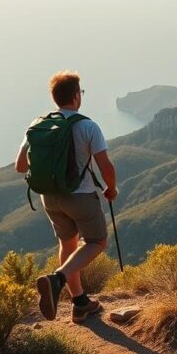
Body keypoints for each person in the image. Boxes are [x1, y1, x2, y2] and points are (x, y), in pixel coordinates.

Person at [15, 71, 118, 323]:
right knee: (97, 242)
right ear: (75, 96)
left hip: (49, 198)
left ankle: (80, 303)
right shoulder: (87, 126)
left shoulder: (38, 125)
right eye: (80, 93)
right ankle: (57, 279)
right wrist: (111, 188)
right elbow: (105, 165)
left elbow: (19, 166)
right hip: (80, 196)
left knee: (68, 244)